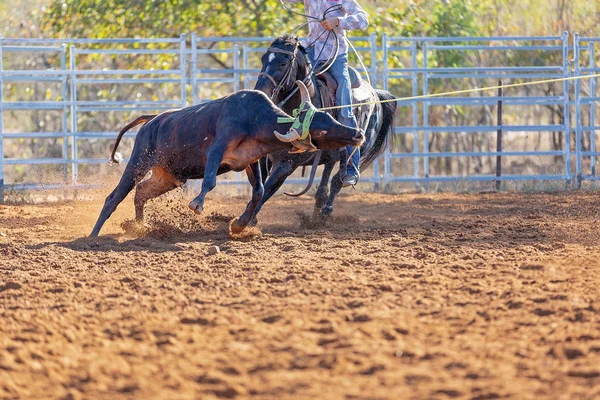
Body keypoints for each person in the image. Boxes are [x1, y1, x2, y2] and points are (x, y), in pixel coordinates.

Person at [283, 0, 369, 187]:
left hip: (335, 55)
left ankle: (351, 167)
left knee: (344, 104)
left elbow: (363, 19)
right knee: (286, 80)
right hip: (310, 51)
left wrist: (338, 21)